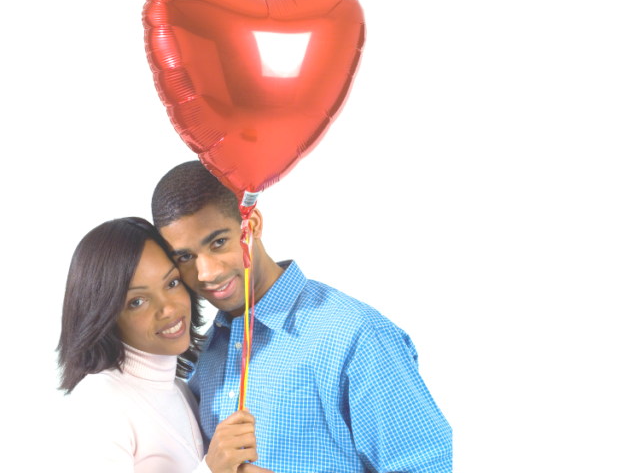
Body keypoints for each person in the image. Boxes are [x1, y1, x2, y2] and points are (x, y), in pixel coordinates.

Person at [152, 161, 453, 473]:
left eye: (219, 242)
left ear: (252, 224)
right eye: (186, 257)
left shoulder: (355, 334)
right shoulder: (203, 354)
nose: (207, 273)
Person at [57, 217, 271, 473]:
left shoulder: (180, 390)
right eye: (137, 301)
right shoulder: (98, 401)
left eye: (171, 283)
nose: (169, 308)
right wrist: (212, 470)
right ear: (106, 316)